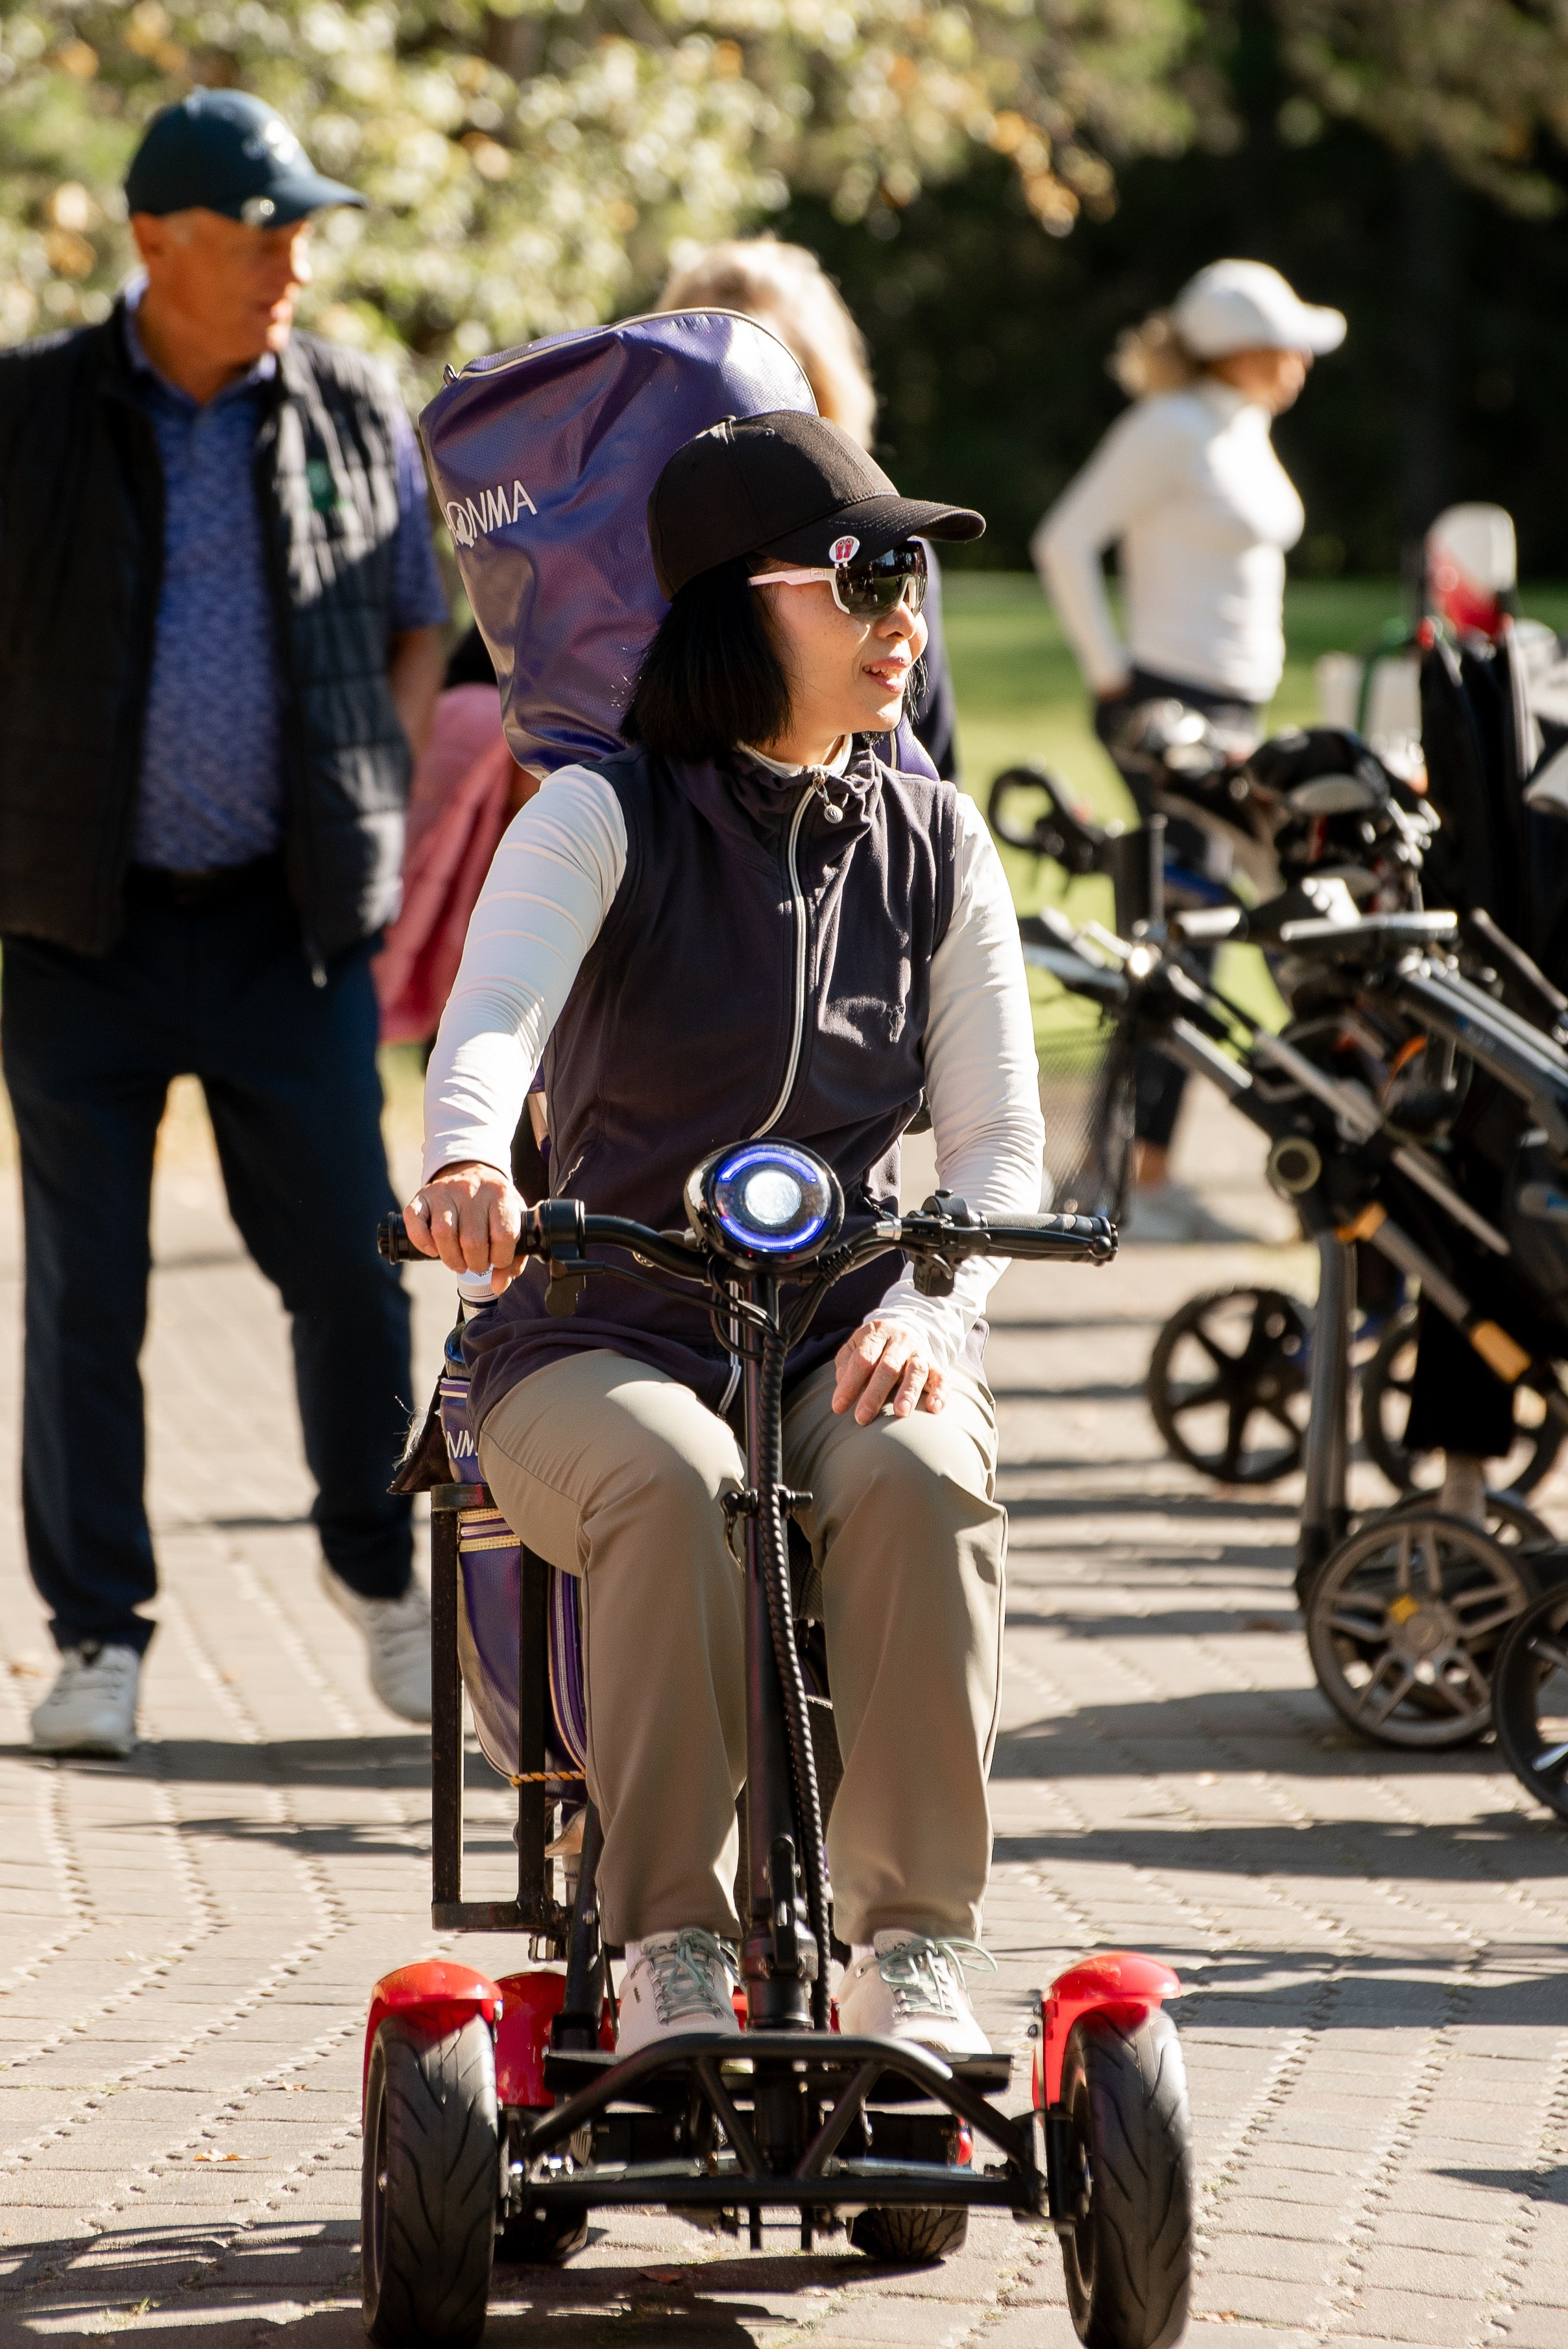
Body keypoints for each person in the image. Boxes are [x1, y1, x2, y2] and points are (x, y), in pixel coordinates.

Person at [407, 410, 1044, 2057]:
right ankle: (666, 1939)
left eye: (914, 576)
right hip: (592, 1338)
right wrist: (471, 1159)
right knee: (673, 1479)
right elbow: (487, 1026)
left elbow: (993, 1146)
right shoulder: (595, 818)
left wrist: (933, 1308)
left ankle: (905, 1946)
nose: (904, 613)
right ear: (734, 605)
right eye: (863, 572)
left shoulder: (937, 839)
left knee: (919, 1471)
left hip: (846, 1332)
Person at [0, 91, 450, 1757]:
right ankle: (96, 1639)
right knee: (84, 1294)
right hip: (78, 931)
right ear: (153, 242)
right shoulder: (33, 410)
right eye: (261, 235)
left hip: (293, 927)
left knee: (350, 1261)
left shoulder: (344, 400)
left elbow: (417, 621)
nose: (291, 264)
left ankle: (378, 1577)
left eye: (300, 235)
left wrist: (379, 779)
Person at [1035, 258, 1345, 1239]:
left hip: (1233, 714)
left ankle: (1143, 1165)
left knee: (1209, 920)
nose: (1300, 360)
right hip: (1168, 710)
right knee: (1191, 925)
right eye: (1285, 342)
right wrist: (1114, 675)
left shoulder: (1239, 429)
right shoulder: (1167, 429)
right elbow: (1064, 539)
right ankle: (1138, 1174)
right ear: (1239, 351)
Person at [657, 239, 962, 780]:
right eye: (710, 387)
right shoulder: (608, 554)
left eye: (772, 385)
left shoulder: (899, 557)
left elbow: (926, 762)